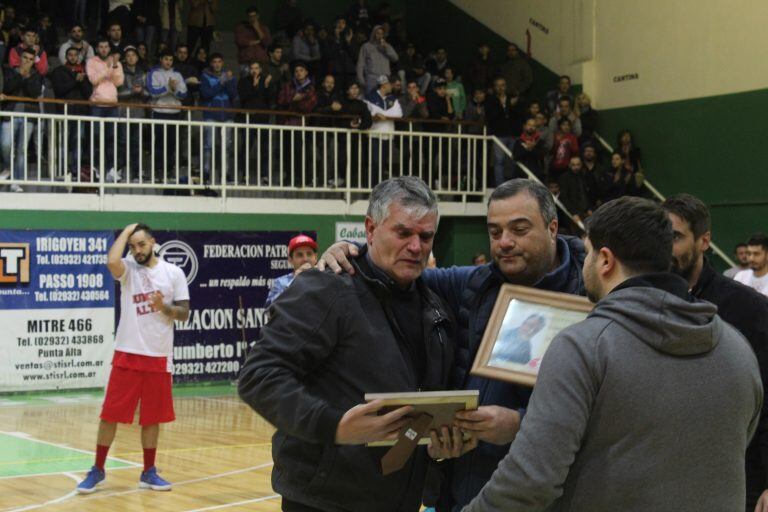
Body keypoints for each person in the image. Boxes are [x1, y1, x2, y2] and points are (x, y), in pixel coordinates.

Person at [465, 196, 763, 512]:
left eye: (588, 252)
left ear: (605, 260)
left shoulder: (582, 346)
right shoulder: (737, 347)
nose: (584, 263)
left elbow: (529, 482)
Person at [318, 179, 587, 511]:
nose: (504, 242)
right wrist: (351, 249)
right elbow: (391, 271)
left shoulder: (589, 298)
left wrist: (521, 424)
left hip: (546, 496)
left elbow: (603, 413)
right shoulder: (473, 284)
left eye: (519, 229)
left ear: (552, 227)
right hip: (464, 492)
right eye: (494, 231)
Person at [238, 177, 457, 512]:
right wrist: (335, 426)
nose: (416, 246)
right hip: (325, 500)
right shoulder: (327, 288)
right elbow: (258, 376)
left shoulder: (434, 303)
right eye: (403, 233)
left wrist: (436, 448)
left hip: (400, 498)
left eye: (425, 236)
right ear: (370, 229)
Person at [661, 193, 768, 511]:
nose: (665, 248)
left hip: (737, 475)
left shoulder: (747, 308)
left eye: (676, 237)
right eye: (659, 238)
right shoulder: (641, 301)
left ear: (704, 240)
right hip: (664, 474)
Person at [75, 223, 190, 494]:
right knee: (110, 415)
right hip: (127, 353)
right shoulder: (128, 270)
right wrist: (126, 232)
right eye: (132, 246)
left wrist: (164, 308)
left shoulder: (173, 273)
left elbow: (184, 313)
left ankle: (148, 472)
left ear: (153, 242)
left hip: (159, 355)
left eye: (141, 244)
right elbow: (111, 261)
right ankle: (98, 469)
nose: (137, 250)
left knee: (152, 418)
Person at [1, 48, 43, 192]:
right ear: (20, 58)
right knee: (5, 144)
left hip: (28, 116)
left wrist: (26, 77)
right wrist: (20, 75)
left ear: (33, 62)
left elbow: (34, 93)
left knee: (21, 150)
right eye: (25, 58)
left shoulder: (36, 75)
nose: (27, 61)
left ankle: (16, 182)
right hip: (9, 113)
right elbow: (7, 88)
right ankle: (7, 167)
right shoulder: (10, 71)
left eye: (31, 59)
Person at [51, 46, 94, 175]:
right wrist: (75, 81)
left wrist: (81, 81)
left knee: (78, 140)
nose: (73, 57)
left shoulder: (84, 72)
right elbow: (59, 90)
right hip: (65, 111)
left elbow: (88, 93)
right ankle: (63, 169)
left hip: (81, 112)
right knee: (64, 141)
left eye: (76, 55)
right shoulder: (59, 71)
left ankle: (76, 169)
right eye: (70, 55)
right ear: (66, 56)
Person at [86, 39, 124, 181]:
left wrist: (113, 65)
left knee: (111, 139)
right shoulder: (91, 62)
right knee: (96, 138)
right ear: (96, 48)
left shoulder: (116, 63)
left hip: (112, 105)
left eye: (106, 47)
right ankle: (95, 168)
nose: (103, 49)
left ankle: (110, 169)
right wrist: (107, 67)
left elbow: (119, 82)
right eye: (100, 46)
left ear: (109, 48)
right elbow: (93, 80)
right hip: (97, 105)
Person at [146, 49, 187, 177]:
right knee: (159, 142)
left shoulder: (178, 74)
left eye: (170, 59)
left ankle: (169, 169)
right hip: (159, 111)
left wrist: (174, 90)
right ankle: (158, 169)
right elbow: (152, 91)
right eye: (166, 59)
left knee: (172, 142)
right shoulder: (154, 73)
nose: (168, 62)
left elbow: (184, 94)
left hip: (175, 112)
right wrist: (168, 88)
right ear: (161, 60)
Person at [200, 53, 238, 183]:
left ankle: (226, 174)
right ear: (211, 63)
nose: (217, 64)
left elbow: (233, 94)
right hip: (211, 114)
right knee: (208, 145)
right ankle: (206, 173)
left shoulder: (229, 76)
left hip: (227, 115)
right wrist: (222, 82)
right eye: (214, 61)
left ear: (222, 63)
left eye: (219, 61)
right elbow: (206, 94)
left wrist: (228, 81)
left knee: (226, 147)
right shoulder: (205, 76)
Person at [486, 77, 525, 186]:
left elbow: (519, 114)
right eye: (498, 85)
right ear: (494, 87)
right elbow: (491, 116)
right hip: (499, 135)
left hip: (513, 134)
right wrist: (502, 105)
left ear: (506, 86)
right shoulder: (491, 100)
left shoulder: (512, 99)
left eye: (502, 85)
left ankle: (511, 185)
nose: (500, 88)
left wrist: (509, 104)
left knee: (513, 160)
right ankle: (500, 185)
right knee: (499, 161)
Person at [264, 234, 318, 308]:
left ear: (315, 257)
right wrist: (295, 282)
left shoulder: (325, 280)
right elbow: (271, 311)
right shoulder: (280, 283)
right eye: (300, 255)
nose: (305, 259)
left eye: (309, 254)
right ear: (290, 260)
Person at [356, 24, 398, 93]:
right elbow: (360, 64)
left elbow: (395, 58)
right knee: (371, 101)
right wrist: (361, 80)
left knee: (384, 101)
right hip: (372, 78)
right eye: (377, 33)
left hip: (385, 79)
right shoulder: (366, 46)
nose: (380, 35)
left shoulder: (386, 46)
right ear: (373, 34)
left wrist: (386, 47)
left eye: (382, 34)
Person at [558, 156, 592, 226]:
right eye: (573, 165)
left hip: (585, 212)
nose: (576, 167)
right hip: (572, 214)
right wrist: (573, 213)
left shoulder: (584, 176)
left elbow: (587, 194)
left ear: (581, 165)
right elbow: (564, 197)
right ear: (569, 165)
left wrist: (588, 208)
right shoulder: (564, 178)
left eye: (578, 164)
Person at [328, 16, 356, 90]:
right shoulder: (330, 37)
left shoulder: (350, 36)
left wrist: (348, 42)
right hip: (337, 71)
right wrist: (337, 38)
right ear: (335, 24)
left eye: (343, 23)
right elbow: (330, 54)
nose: (341, 25)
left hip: (349, 71)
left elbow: (354, 55)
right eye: (339, 23)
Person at [549, 117, 579, 182]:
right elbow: (551, 151)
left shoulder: (572, 137)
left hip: (567, 166)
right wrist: (557, 141)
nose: (566, 127)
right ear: (559, 126)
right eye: (564, 125)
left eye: (568, 125)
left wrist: (569, 144)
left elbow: (575, 151)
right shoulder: (555, 136)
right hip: (555, 166)